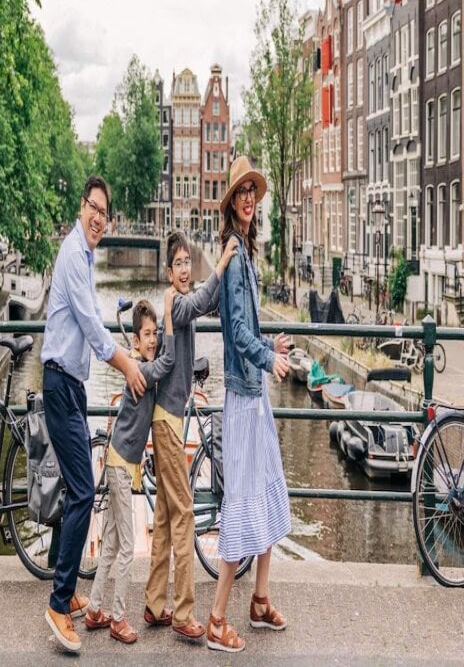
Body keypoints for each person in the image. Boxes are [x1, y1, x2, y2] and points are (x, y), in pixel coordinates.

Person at [41, 175, 147, 653]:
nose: (99, 219)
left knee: (76, 489)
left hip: (71, 385)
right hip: (60, 383)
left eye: (105, 213)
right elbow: (87, 320)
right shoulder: (72, 254)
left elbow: (90, 321)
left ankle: (65, 590)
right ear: (80, 207)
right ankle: (57, 604)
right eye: (94, 209)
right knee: (85, 491)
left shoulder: (84, 256)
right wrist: (126, 363)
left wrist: (116, 353)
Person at [206, 156, 291, 654]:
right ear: (231, 202)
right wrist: (265, 357)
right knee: (241, 501)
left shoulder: (245, 251)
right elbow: (236, 333)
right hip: (243, 397)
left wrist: (269, 346)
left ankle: (259, 600)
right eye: (241, 193)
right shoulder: (234, 256)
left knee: (266, 490)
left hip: (255, 396)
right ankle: (217, 619)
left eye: (252, 193)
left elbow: (249, 331)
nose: (248, 199)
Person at [144, 229, 239, 641]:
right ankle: (183, 612)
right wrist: (222, 261)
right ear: (169, 272)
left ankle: (153, 603)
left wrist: (226, 275)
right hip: (167, 421)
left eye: (188, 262)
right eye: (178, 264)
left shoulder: (182, 301)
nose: (184, 269)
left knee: (166, 516)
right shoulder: (176, 303)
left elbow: (209, 300)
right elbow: (200, 302)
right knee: (184, 513)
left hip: (170, 417)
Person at [85, 288, 177, 644]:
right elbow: (166, 364)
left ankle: (95, 609)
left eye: (156, 334)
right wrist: (169, 316)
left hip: (118, 462)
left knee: (110, 543)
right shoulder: (140, 370)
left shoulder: (140, 363)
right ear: (135, 341)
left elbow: (160, 360)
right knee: (126, 547)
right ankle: (118, 618)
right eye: (147, 335)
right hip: (122, 465)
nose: (153, 340)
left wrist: (159, 329)